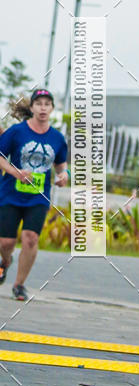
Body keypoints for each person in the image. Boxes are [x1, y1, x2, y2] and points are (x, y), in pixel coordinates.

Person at [0, 89, 68, 300]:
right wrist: (15, 172)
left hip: (38, 197)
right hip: (11, 193)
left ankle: (19, 285)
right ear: (31, 108)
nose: (43, 108)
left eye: (47, 104)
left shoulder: (57, 138)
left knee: (30, 239)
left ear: (52, 109)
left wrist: (63, 175)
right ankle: (6, 261)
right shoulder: (17, 132)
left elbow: (60, 164)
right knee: (6, 243)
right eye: (39, 103)